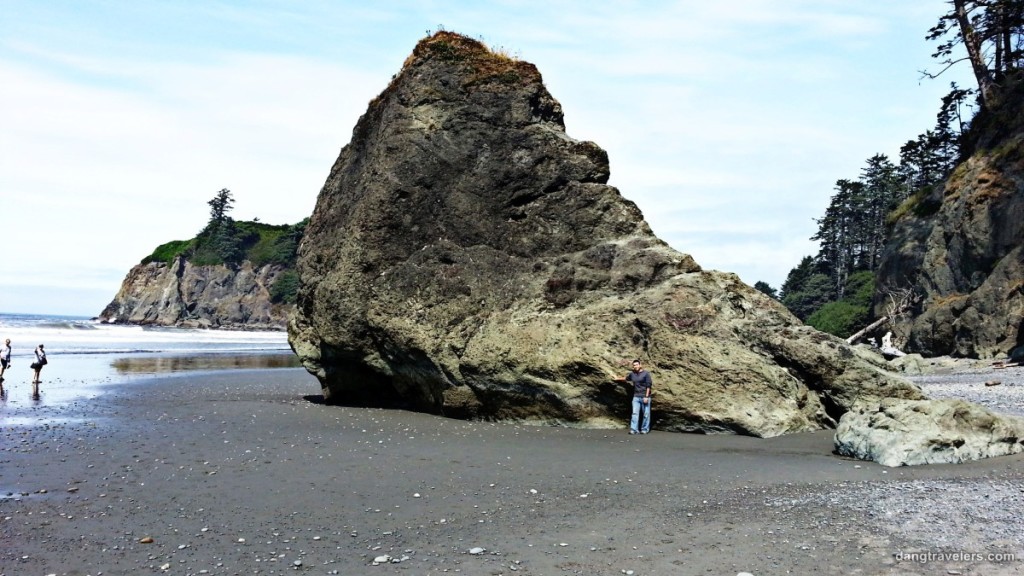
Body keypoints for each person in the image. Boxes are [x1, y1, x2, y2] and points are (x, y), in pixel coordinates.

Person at [619, 359, 653, 434]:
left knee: (646, 414)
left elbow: (648, 386)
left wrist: (646, 397)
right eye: (634, 365)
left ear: (640, 365)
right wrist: (617, 378)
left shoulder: (646, 374)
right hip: (636, 397)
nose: (635, 366)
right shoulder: (632, 374)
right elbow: (626, 379)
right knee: (635, 413)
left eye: (637, 365)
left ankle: (644, 429)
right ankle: (634, 429)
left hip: (645, 396)